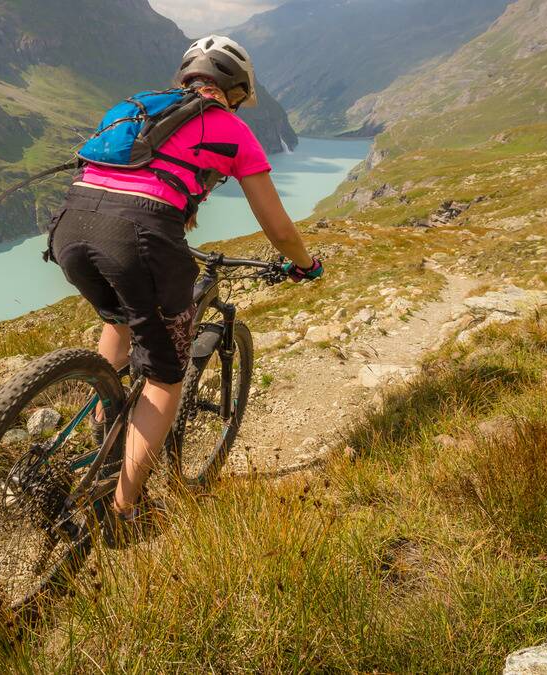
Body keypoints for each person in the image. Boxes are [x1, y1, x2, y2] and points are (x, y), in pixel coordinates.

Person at [46, 35, 323, 539]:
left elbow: (128, 174)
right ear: (235, 92)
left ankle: (105, 426)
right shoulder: (231, 130)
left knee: (121, 319)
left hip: (70, 224)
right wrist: (305, 264)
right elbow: (279, 228)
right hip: (140, 236)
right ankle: (124, 512)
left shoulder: (134, 109)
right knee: (165, 379)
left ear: (187, 78)